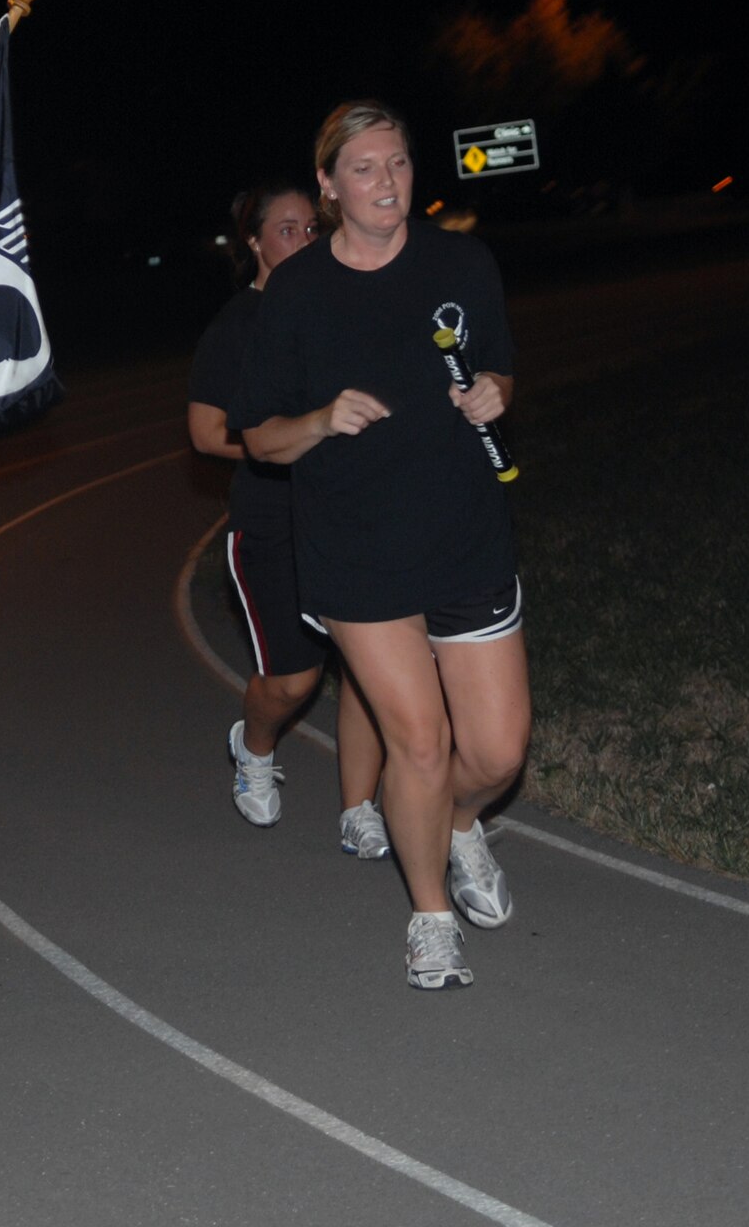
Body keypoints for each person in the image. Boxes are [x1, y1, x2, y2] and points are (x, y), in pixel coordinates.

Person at [230, 102, 528, 991]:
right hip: (358, 551)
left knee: (497, 755)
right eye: (364, 169)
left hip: (465, 534)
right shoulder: (300, 291)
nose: (387, 182)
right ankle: (430, 917)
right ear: (328, 186)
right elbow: (258, 439)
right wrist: (321, 419)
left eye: (397, 164)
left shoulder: (461, 262)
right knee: (422, 745)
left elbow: (500, 365)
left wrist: (494, 394)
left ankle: (459, 824)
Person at [188, 184, 387, 854]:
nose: (302, 239)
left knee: (367, 669)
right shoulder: (237, 326)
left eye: (311, 227)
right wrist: (292, 435)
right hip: (272, 521)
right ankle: (255, 742)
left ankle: (359, 808)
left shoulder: (335, 306)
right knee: (295, 680)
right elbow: (206, 432)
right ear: (254, 243)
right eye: (286, 229)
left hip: (349, 512)